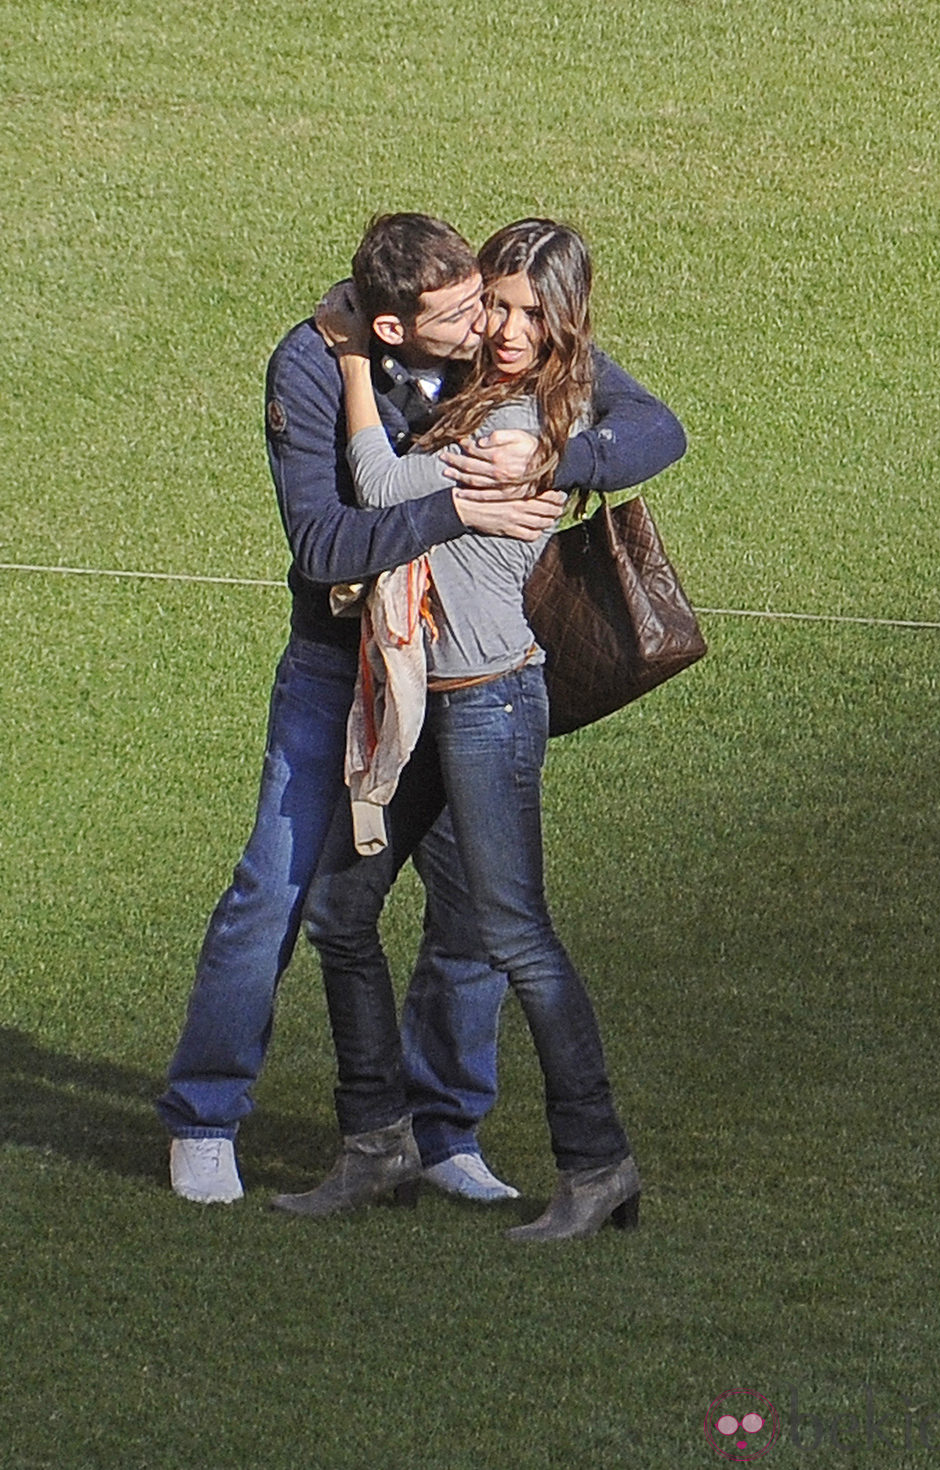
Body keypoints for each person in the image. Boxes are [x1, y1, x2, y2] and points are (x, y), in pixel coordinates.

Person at [156, 214, 686, 1207]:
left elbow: (655, 427)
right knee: (282, 887)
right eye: (472, 309)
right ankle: (207, 1115)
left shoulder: (509, 344)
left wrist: (553, 464)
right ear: (394, 329)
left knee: (470, 919)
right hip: (342, 667)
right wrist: (459, 501)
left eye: (497, 303)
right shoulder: (314, 369)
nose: (489, 322)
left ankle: (442, 1133)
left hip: (467, 680)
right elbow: (323, 544)